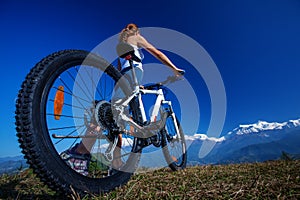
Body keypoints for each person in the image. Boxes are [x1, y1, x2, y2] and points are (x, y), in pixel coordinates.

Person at [60, 23, 184, 176]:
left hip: (125, 78)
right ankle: (81, 154)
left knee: (117, 119)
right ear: (135, 30)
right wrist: (174, 68)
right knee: (109, 115)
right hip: (134, 74)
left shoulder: (121, 44)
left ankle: (117, 162)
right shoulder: (136, 37)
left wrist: (136, 87)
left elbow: (119, 71)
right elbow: (156, 53)